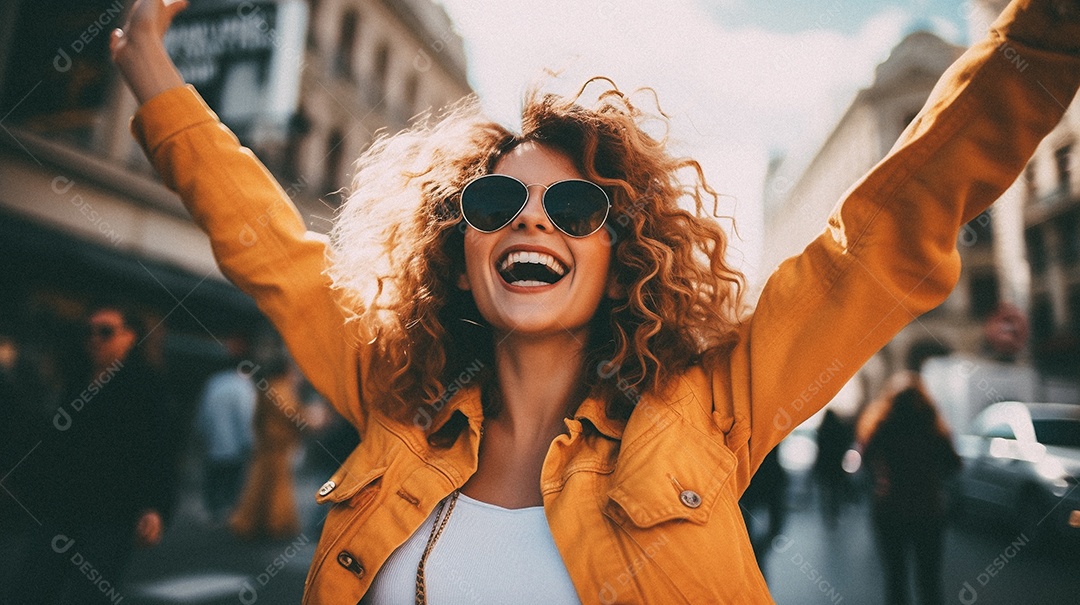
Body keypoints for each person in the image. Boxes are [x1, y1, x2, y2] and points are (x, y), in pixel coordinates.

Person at [109, 0, 1080, 601]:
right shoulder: (391, 389)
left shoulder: (713, 407)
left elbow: (883, 232)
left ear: (624, 251)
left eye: (575, 205)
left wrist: (1049, 32)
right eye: (496, 201)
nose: (533, 221)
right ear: (462, 243)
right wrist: (150, 59)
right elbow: (268, 245)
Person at [4, 304, 179, 604]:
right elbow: (49, 442)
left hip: (111, 514)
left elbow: (161, 452)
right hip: (58, 506)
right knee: (31, 587)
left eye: (106, 331)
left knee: (90, 594)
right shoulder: (74, 379)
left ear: (130, 337)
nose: (94, 338)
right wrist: (21, 477)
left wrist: (155, 507)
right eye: (89, 331)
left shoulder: (147, 387)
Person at [863, 384, 960, 605]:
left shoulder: (884, 428)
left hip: (891, 508)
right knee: (929, 580)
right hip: (928, 509)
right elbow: (954, 465)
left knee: (896, 578)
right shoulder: (933, 430)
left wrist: (882, 478)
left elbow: (866, 460)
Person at [228, 345, 305, 540]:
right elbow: (293, 415)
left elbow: (257, 418)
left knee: (259, 484)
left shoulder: (268, 387)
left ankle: (254, 521)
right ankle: (274, 523)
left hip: (267, 444)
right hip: (278, 445)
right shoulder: (283, 388)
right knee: (276, 486)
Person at [195, 333, 256, 522]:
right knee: (231, 480)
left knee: (212, 477)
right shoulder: (244, 387)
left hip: (213, 442)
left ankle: (211, 509)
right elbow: (245, 417)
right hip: (234, 445)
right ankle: (228, 512)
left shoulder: (215, 381)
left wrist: (202, 434)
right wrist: (249, 441)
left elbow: (203, 412)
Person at [813, 408, 854, 528]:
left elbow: (819, 451)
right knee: (836, 491)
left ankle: (827, 515)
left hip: (824, 466)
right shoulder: (839, 430)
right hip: (836, 466)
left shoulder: (822, 431)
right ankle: (834, 514)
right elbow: (845, 444)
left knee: (826, 492)